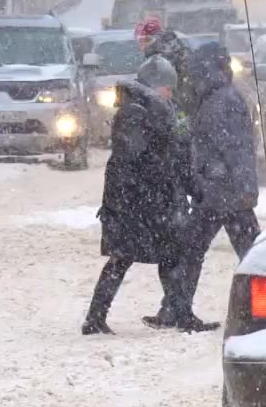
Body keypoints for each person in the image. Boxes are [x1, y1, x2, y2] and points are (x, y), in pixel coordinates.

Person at [82, 56, 218, 335]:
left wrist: (192, 186)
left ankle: (180, 314)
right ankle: (96, 319)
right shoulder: (136, 113)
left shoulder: (161, 111)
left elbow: (175, 157)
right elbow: (134, 158)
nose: (171, 92)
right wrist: (167, 174)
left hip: (150, 201)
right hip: (139, 202)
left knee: (166, 257)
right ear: (156, 86)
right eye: (168, 87)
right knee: (128, 259)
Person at [174, 42, 261, 318]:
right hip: (221, 191)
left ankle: (177, 309)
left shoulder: (221, 101)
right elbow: (231, 148)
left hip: (222, 192)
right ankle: (177, 309)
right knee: (250, 254)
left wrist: (243, 187)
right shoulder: (218, 98)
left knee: (245, 254)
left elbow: (236, 149)